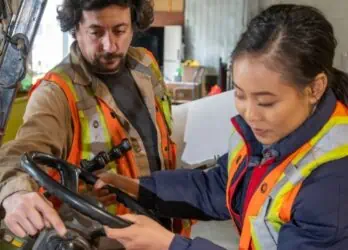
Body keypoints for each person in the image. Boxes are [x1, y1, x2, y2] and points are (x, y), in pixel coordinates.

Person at [93, 4, 348, 250]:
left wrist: (170, 244)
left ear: (315, 88)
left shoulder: (333, 181)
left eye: (266, 102)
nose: (249, 114)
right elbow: (218, 187)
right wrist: (138, 188)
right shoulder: (266, 136)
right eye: (239, 94)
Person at [0, 0, 191, 242]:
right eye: (96, 32)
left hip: (164, 230)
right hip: (107, 239)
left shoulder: (146, 65)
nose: (110, 45)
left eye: (120, 31)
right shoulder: (57, 92)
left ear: (133, 25)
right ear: (75, 29)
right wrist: (14, 193)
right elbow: (21, 151)